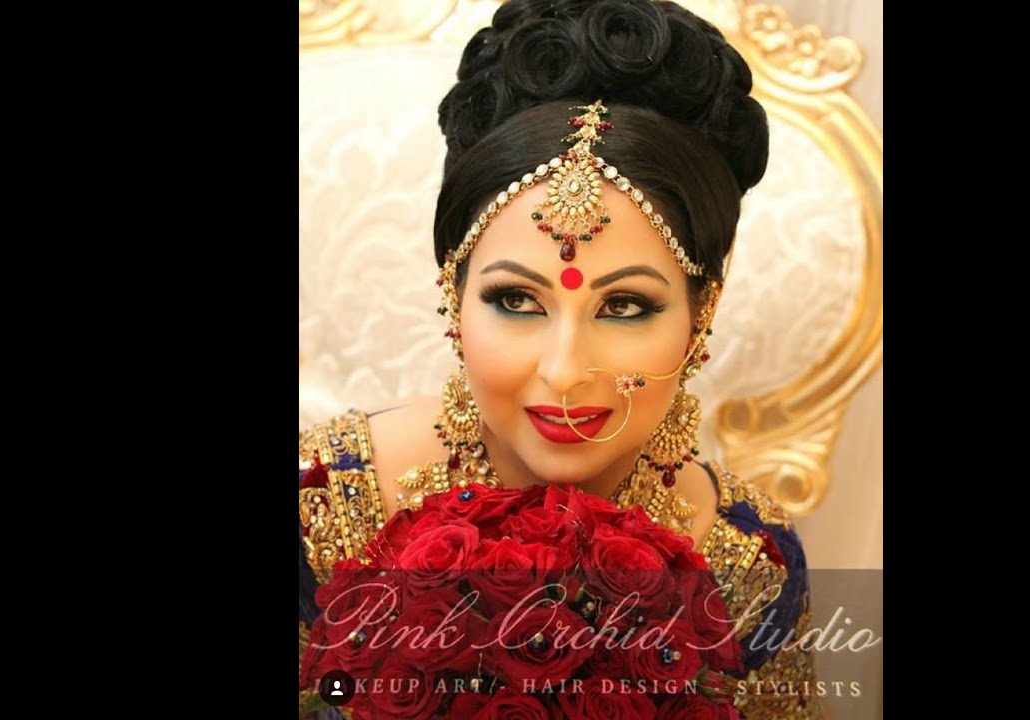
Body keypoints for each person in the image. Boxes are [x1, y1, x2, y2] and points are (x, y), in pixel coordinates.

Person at [299, 1, 820, 717]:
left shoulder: (748, 560)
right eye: (517, 300)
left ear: (704, 310)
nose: (566, 370)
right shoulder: (326, 502)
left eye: (625, 306)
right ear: (454, 293)